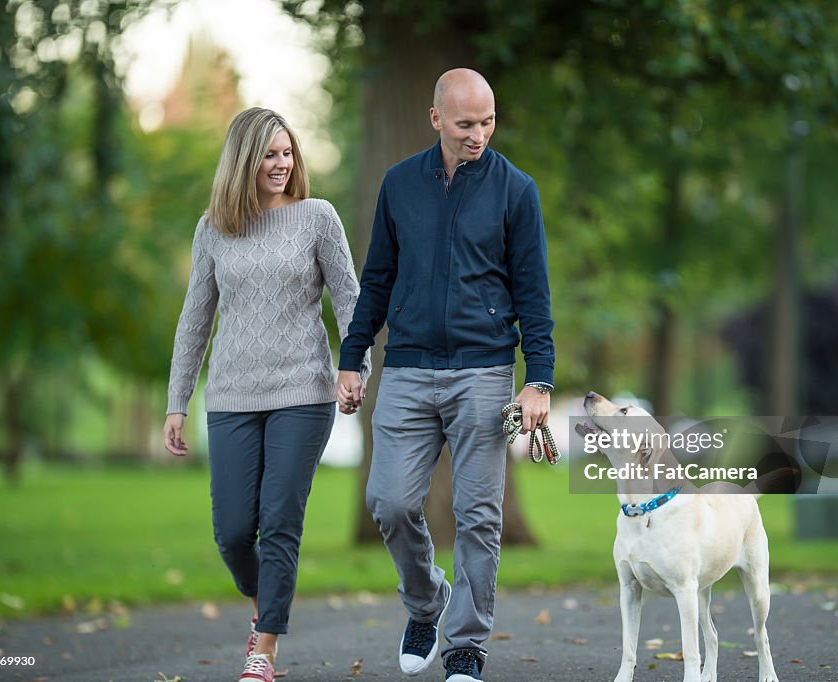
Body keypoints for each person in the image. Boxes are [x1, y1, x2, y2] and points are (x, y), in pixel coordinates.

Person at [335, 68, 555, 682]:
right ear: (436, 119)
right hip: (405, 367)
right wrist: (352, 356)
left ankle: (465, 646)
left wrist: (539, 378)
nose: (478, 135)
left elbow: (534, 293)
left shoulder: (517, 191)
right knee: (389, 502)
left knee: (478, 514)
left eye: (487, 122)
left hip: (484, 370)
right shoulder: (400, 183)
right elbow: (376, 276)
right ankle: (427, 602)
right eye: (465, 124)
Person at [163, 107, 369, 682]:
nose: (282, 165)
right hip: (230, 395)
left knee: (279, 521)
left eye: (288, 154)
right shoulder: (213, 228)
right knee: (232, 532)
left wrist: (355, 370)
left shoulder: (317, 218)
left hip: (303, 391)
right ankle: (266, 600)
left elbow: (352, 302)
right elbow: (194, 321)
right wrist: (177, 401)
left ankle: (265, 647)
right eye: (269, 156)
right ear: (242, 162)